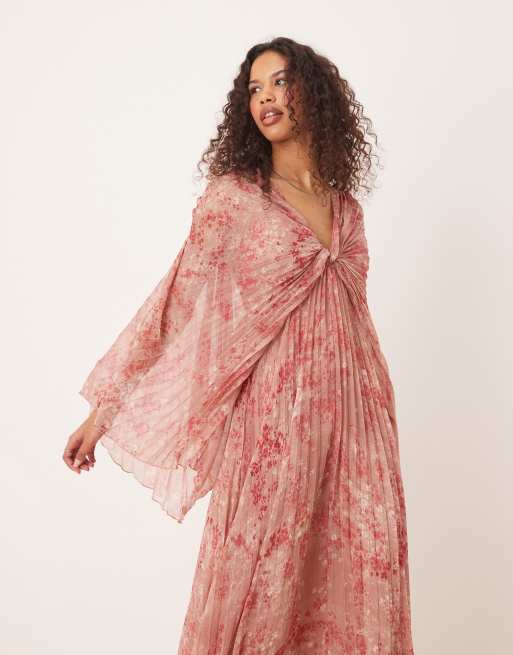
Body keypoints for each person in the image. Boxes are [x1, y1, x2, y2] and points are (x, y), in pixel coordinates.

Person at [63, 36, 415, 655]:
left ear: (313, 94)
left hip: (359, 427)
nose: (266, 98)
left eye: (280, 82)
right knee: (261, 586)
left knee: (360, 571)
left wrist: (377, 412)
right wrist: (105, 410)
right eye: (254, 89)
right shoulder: (236, 200)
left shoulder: (348, 209)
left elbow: (354, 322)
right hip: (276, 427)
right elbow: (176, 306)